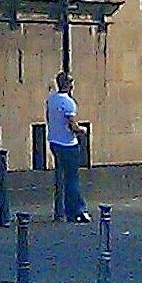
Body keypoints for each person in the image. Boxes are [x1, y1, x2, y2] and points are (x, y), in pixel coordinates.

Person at [46, 71, 87, 222]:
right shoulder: (69, 103)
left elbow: (49, 118)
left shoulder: (51, 100)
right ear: (69, 85)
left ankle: (59, 211)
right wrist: (82, 130)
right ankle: (76, 210)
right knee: (72, 178)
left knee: (60, 176)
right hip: (68, 144)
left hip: (54, 141)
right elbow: (72, 126)